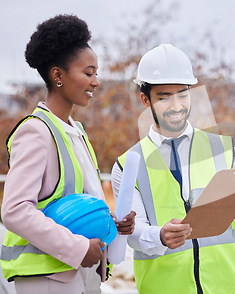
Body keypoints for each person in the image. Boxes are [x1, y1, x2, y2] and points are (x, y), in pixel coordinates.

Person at [111, 44, 235, 294]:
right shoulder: (128, 163)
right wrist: (160, 236)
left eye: (183, 94)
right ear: (145, 99)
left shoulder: (224, 150)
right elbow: (132, 232)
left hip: (224, 288)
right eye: (164, 97)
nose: (176, 106)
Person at [0, 14, 135, 294]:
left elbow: (72, 203)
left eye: (96, 73)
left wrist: (111, 220)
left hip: (84, 275)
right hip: (49, 278)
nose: (96, 82)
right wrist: (77, 248)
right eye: (88, 73)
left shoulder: (77, 132)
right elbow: (14, 210)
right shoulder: (36, 131)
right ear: (58, 75)